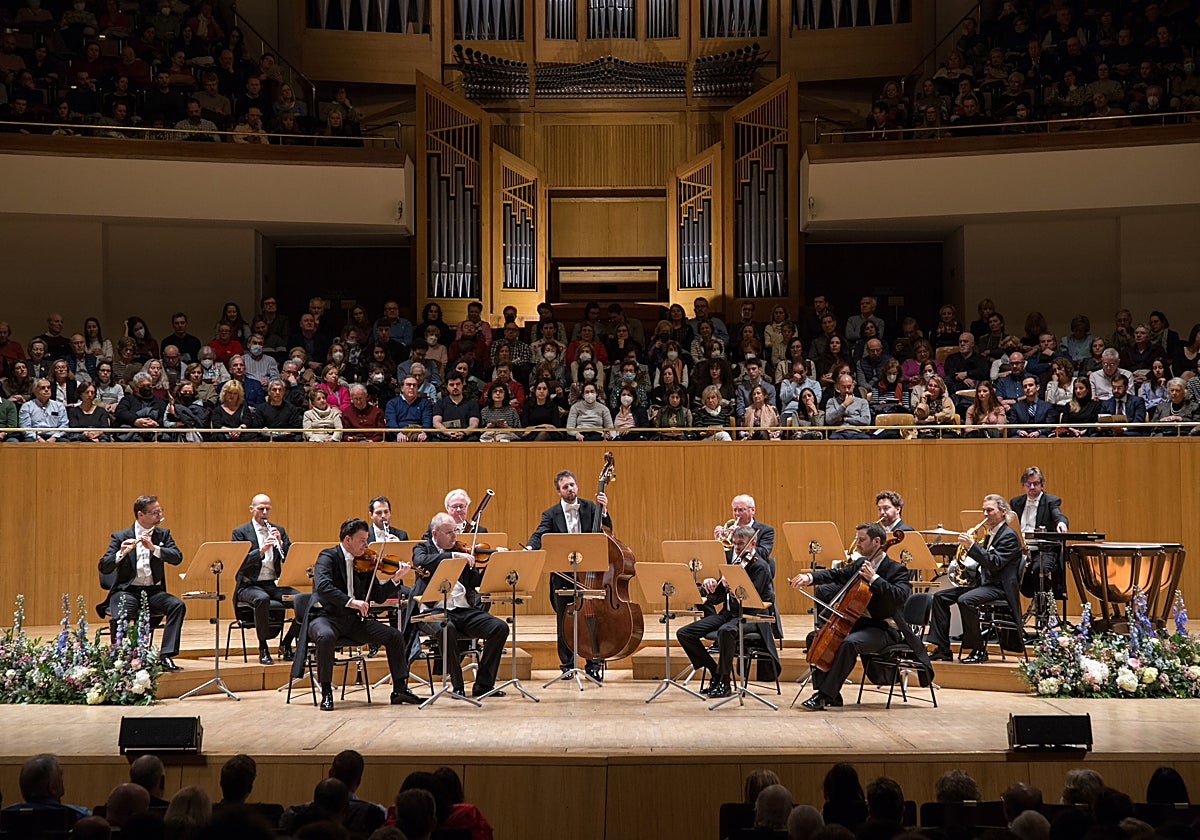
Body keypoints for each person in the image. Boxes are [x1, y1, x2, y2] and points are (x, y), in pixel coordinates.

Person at [790, 521, 928, 710]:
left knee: (850, 643)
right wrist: (810, 577)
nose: (858, 544)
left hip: (885, 628)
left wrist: (874, 579)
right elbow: (837, 574)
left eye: (862, 540)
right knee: (814, 637)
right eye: (857, 539)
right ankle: (832, 694)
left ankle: (823, 695)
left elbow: (900, 596)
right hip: (861, 624)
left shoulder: (896, 569)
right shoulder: (860, 564)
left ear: (877, 541)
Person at [293, 517, 421, 711]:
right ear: (347, 540)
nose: (366, 545)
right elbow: (323, 586)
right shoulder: (328, 557)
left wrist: (395, 579)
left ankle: (400, 689)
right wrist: (351, 602)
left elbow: (377, 596)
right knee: (325, 636)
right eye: (362, 540)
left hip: (353, 622)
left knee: (394, 636)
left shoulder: (365, 561)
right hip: (325, 617)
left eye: (366, 540)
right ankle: (326, 692)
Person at [412, 513, 509, 698]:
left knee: (499, 627)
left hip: (463, 610)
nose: (454, 536)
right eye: (449, 532)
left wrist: (494, 562)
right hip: (433, 612)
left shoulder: (462, 551)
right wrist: (452, 556)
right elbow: (420, 561)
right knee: (446, 629)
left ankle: (483, 685)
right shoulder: (422, 548)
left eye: (455, 531)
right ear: (435, 533)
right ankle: (457, 686)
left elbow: (475, 581)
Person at [526, 469, 611, 681]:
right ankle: (566, 665)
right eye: (565, 487)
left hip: (590, 575)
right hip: (563, 575)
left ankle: (593, 664)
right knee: (564, 621)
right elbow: (540, 534)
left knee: (593, 621)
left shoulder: (592, 507)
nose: (570, 489)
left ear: (577, 485)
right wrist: (530, 547)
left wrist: (604, 511)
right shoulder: (550, 514)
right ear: (558, 491)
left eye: (572, 485)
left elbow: (606, 532)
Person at [676, 524, 777, 698]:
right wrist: (712, 586)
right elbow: (717, 599)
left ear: (752, 544)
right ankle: (715, 671)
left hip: (752, 617)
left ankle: (724, 681)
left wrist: (733, 584)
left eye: (741, 543)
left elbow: (751, 600)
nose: (737, 548)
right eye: (735, 543)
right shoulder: (733, 564)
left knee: (726, 631)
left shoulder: (760, 566)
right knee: (685, 633)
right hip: (728, 615)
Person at [926, 494, 1023, 664]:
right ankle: (942, 648)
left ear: (1002, 512)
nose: (985, 514)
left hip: (999, 587)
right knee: (940, 597)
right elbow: (982, 560)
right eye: (984, 510)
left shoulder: (1009, 536)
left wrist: (972, 547)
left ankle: (978, 650)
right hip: (984, 584)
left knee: (965, 600)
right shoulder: (990, 534)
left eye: (990, 510)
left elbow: (995, 563)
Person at [97, 495, 185, 670]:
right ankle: (119, 657)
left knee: (177, 605)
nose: (159, 515)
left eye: (160, 511)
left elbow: (177, 558)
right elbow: (103, 566)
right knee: (120, 613)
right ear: (141, 515)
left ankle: (166, 655)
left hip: (153, 592)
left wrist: (155, 548)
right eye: (155, 512)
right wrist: (120, 554)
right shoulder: (120, 536)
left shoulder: (162, 534)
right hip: (127, 590)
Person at [233, 494, 300, 664]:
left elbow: (290, 558)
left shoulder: (279, 530)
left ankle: (286, 643)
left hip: (273, 584)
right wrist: (261, 550)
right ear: (252, 509)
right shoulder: (240, 532)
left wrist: (281, 544)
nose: (264, 512)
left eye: (267, 509)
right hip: (248, 585)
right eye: (260, 508)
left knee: (303, 600)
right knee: (262, 599)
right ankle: (263, 647)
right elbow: (238, 563)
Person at [1011, 466, 1069, 607]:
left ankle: (1043, 613)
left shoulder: (1051, 501)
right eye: (1028, 484)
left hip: (1044, 550)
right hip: (1021, 550)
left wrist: (1061, 523)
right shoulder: (1015, 503)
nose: (1032, 487)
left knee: (1039, 570)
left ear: (1042, 485)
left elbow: (1058, 515)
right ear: (1023, 486)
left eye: (1036, 483)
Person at [2, 753, 90, 824]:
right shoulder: (79, 816)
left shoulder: (4, 816)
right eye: (61, 775)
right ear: (52, 788)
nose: (62, 780)